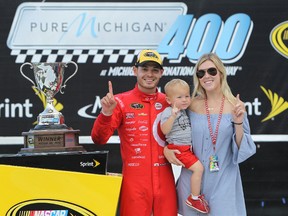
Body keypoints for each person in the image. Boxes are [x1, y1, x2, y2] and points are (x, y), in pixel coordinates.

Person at [164, 53, 256, 215]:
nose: (206, 76)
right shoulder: (190, 105)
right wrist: (166, 149)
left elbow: (243, 149)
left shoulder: (235, 105)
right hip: (192, 182)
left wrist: (239, 122)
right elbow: (171, 130)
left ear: (221, 73)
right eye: (201, 73)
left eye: (211, 71)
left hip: (223, 182)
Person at [91, 49, 177, 216]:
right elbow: (98, 139)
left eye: (154, 70)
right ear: (135, 70)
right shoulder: (120, 102)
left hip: (165, 181)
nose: (149, 74)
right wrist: (106, 114)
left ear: (161, 73)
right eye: (145, 69)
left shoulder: (169, 102)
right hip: (135, 183)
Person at [160, 79, 209, 214]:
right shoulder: (169, 111)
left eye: (187, 96)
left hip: (186, 148)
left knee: (197, 170)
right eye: (179, 97)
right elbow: (164, 130)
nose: (185, 100)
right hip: (178, 149)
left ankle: (192, 195)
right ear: (169, 100)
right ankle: (194, 198)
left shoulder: (184, 111)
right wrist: (172, 116)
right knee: (198, 169)